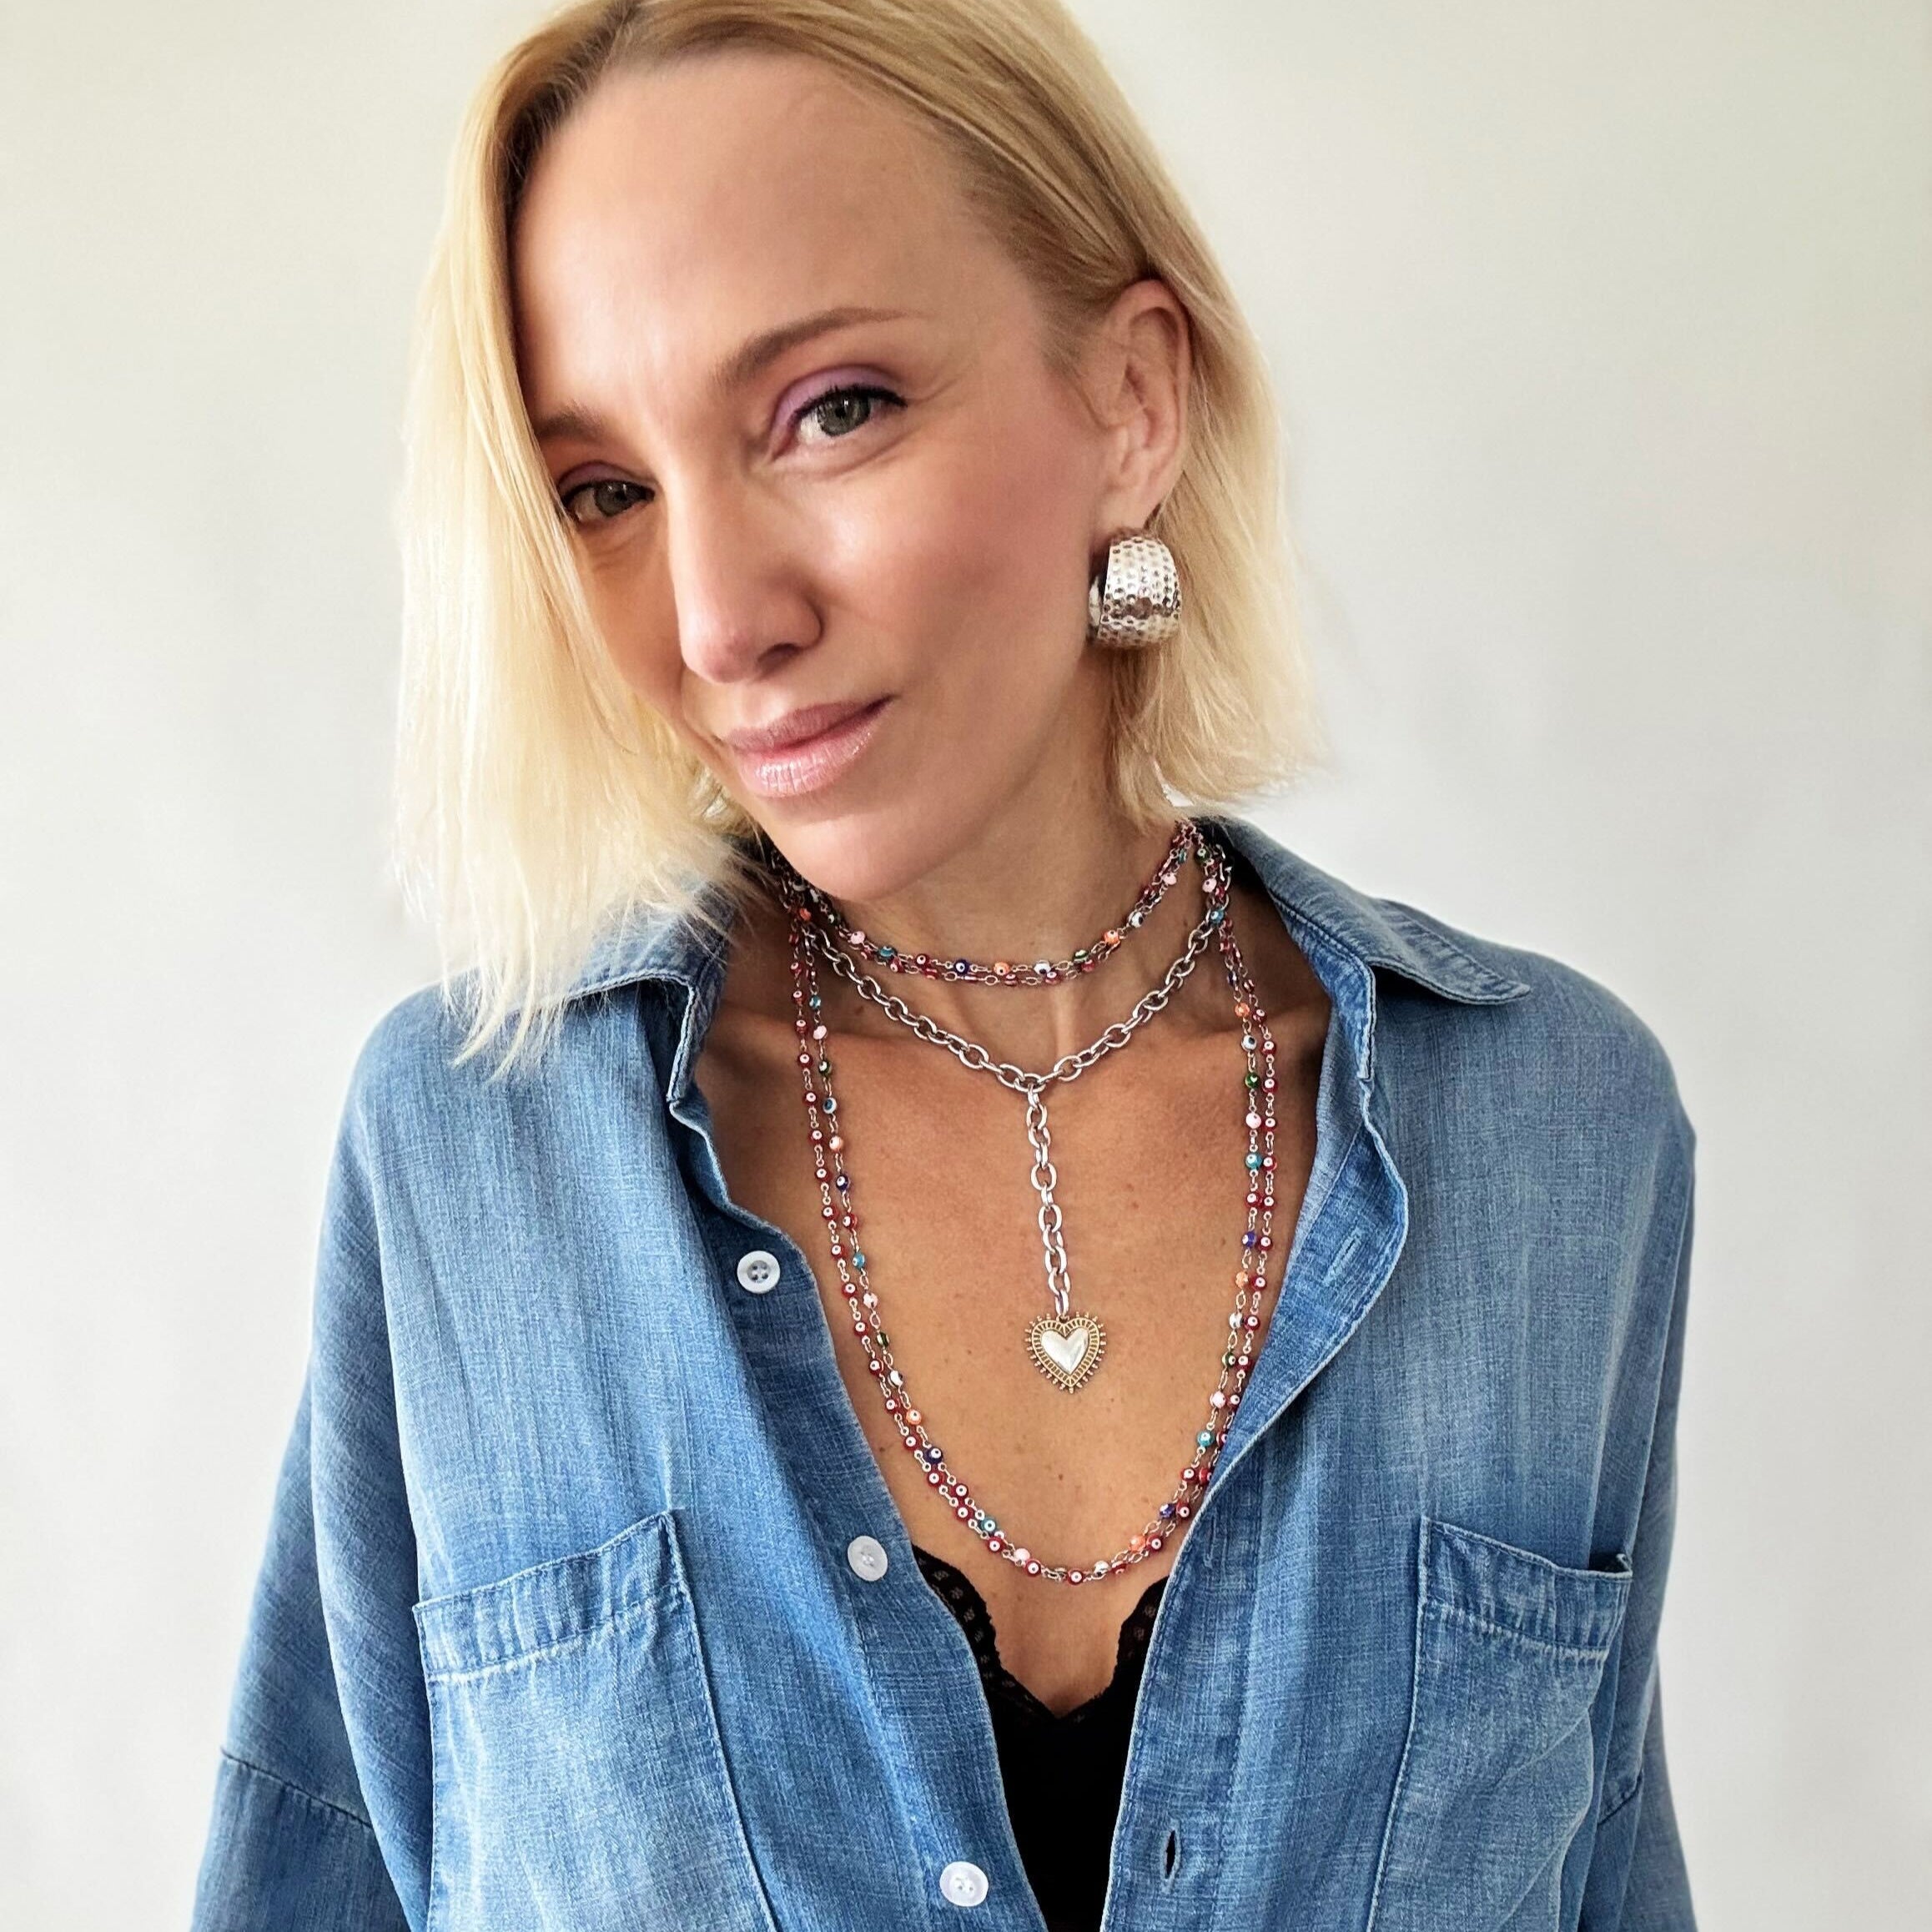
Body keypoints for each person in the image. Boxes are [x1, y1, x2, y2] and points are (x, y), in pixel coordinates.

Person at [189, 3, 1697, 1928]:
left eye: (833, 411)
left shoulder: (1559, 1137)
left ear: (1132, 404)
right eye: (603, 491)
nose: (722, 619)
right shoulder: (473, 1157)